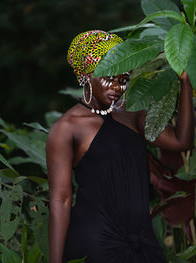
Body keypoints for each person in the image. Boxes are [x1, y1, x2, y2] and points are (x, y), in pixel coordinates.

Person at [46, 30, 195, 263]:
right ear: (87, 75)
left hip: (143, 243)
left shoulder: (131, 114)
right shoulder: (67, 128)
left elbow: (180, 141)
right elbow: (61, 200)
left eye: (123, 80)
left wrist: (184, 81)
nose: (117, 87)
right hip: (94, 244)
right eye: (110, 78)